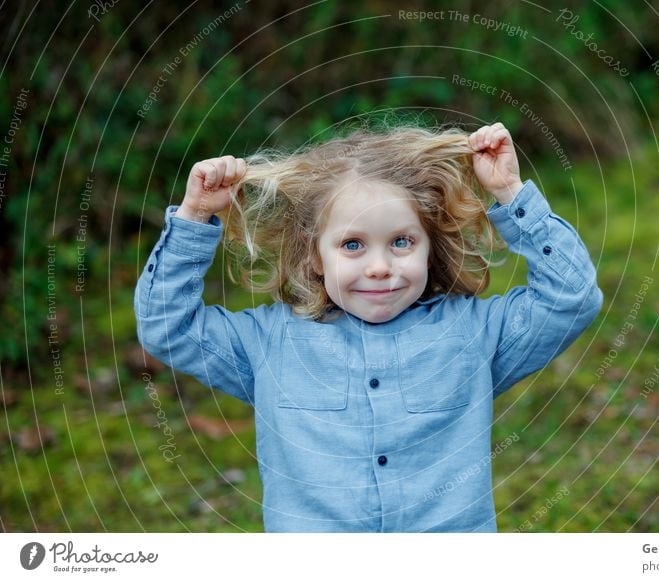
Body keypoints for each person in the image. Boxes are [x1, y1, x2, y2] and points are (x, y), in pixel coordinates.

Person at [134, 121, 603, 532]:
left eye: (401, 241)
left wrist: (510, 193)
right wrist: (195, 217)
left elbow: (572, 296)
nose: (379, 267)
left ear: (428, 246)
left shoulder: (473, 334)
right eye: (353, 245)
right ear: (315, 254)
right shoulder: (269, 344)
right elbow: (166, 326)